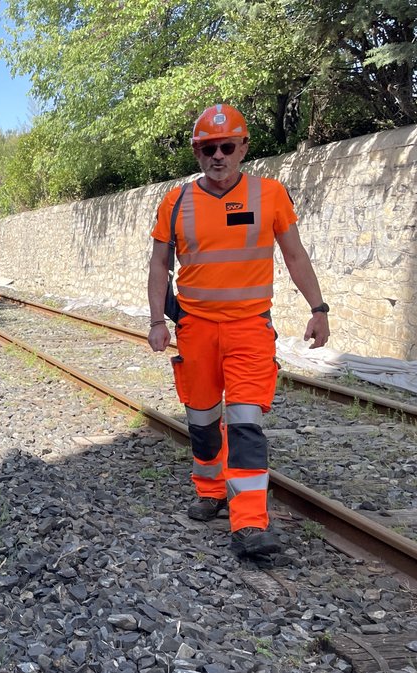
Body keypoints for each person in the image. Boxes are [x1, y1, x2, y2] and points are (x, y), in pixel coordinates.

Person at [146, 104, 330, 558]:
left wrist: (318, 307)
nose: (219, 156)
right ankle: (209, 491)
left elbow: (296, 255)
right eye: (209, 148)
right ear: (197, 152)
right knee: (203, 420)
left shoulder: (269, 195)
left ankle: (249, 522)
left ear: (244, 147)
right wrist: (156, 320)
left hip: (250, 329)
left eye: (228, 146)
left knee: (246, 423)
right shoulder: (176, 202)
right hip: (195, 330)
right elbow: (158, 264)